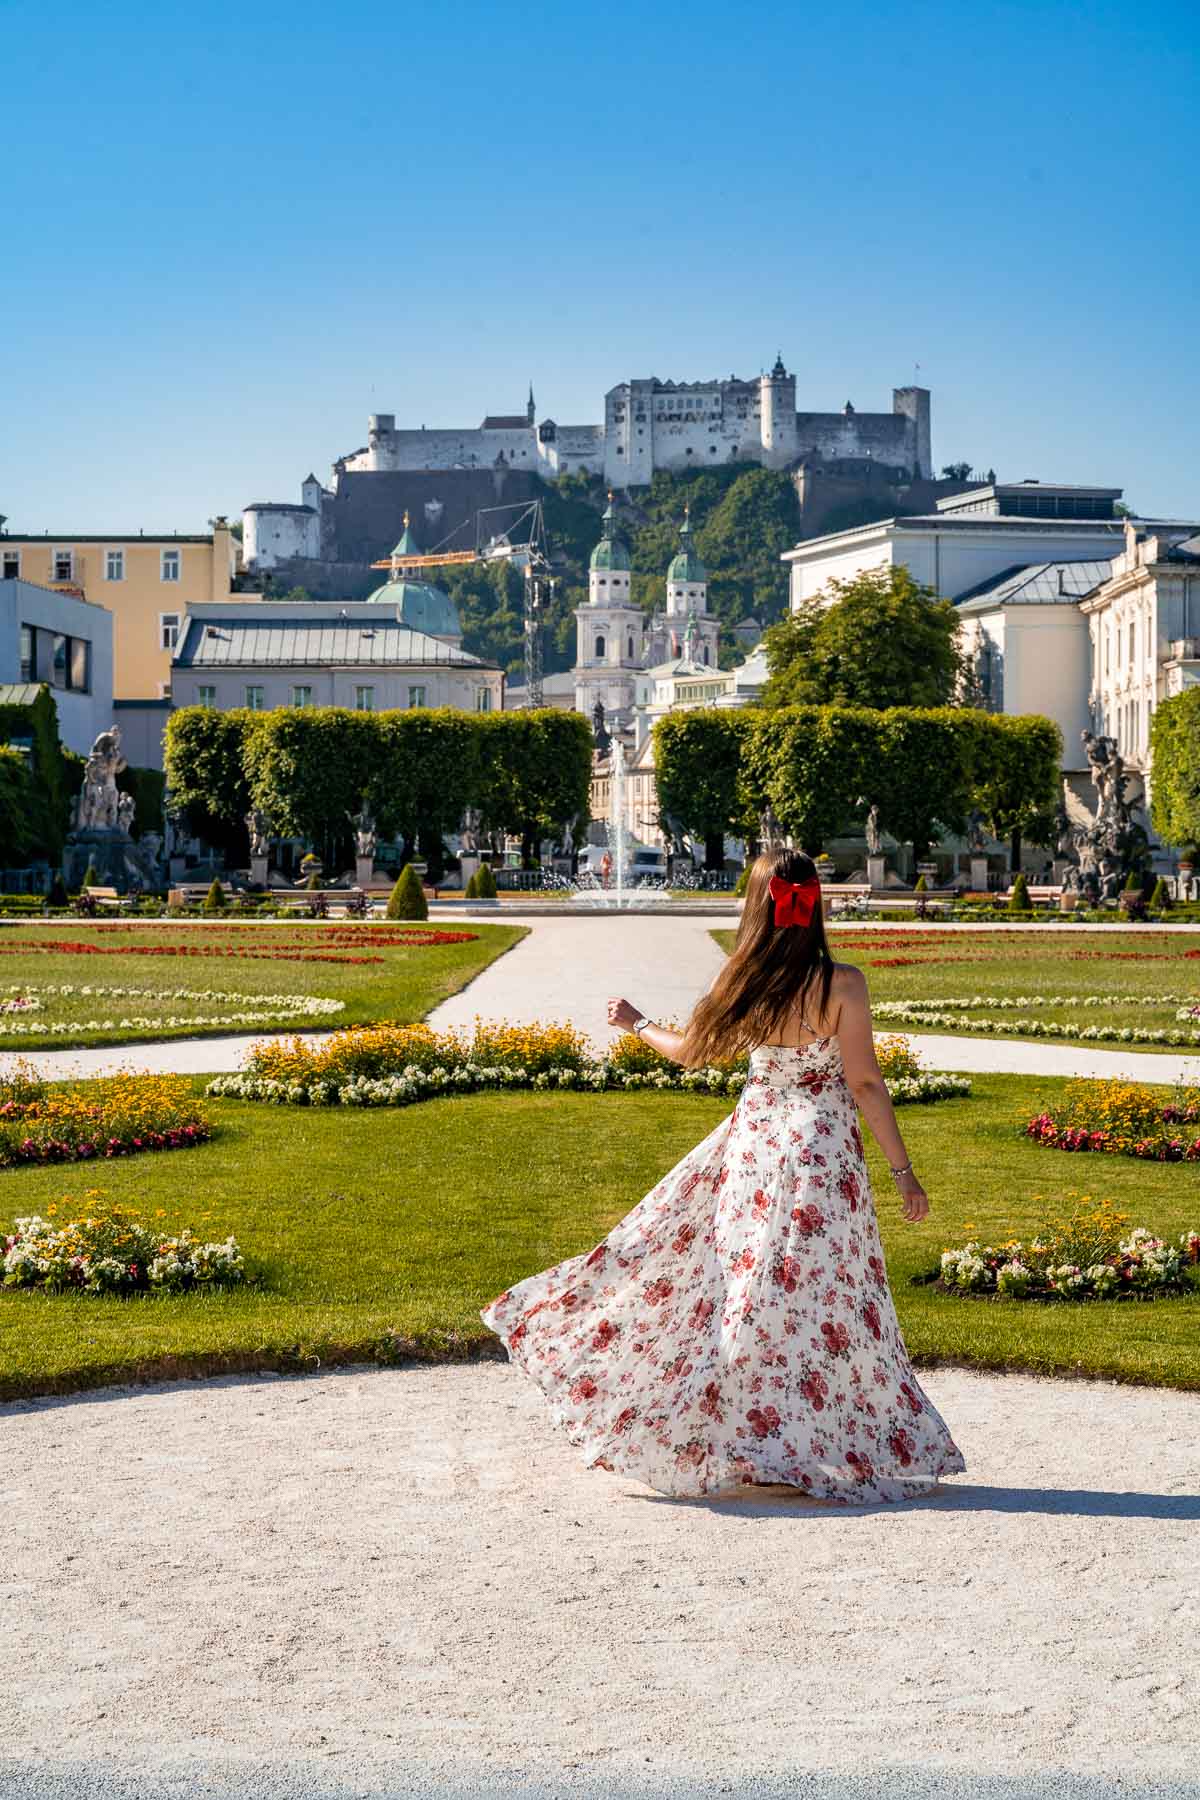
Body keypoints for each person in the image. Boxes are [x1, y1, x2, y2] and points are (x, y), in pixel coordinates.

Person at [480, 848, 966, 1504]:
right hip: (823, 1157)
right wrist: (904, 1172)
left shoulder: (743, 980)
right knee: (827, 1302)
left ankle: (747, 1438)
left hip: (755, 1151)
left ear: (756, 907)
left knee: (741, 1293)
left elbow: (689, 1053)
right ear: (813, 904)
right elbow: (865, 1083)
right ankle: (806, 1439)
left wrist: (637, 1023)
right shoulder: (842, 984)